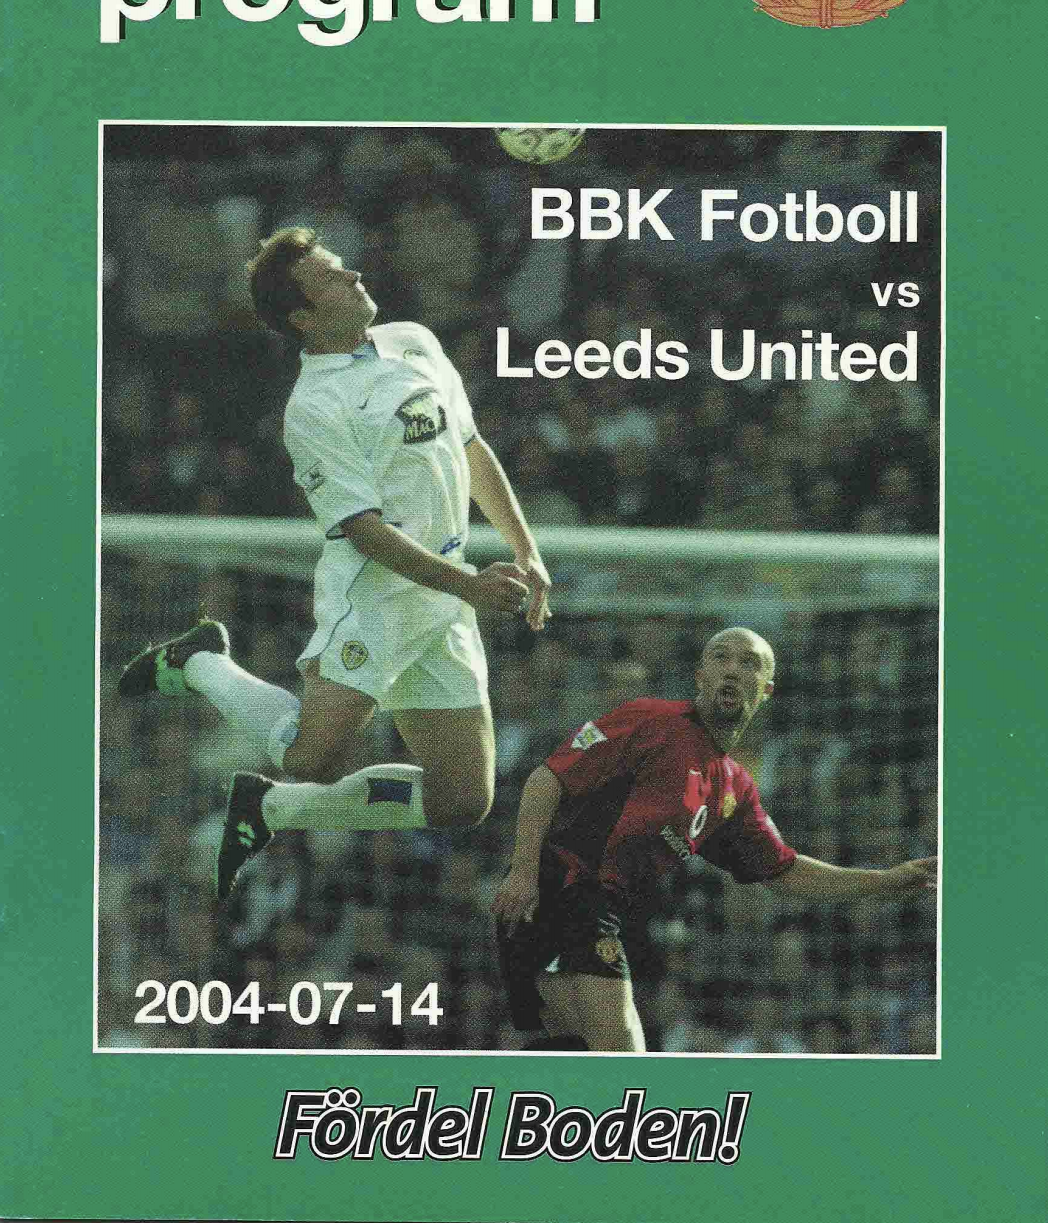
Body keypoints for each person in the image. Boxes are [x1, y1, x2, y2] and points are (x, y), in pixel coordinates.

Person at [119, 226, 552, 897]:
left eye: (344, 266)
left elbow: (470, 449)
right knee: (312, 758)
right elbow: (363, 530)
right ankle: (201, 662)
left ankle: (270, 809)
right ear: (301, 315)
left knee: (464, 799)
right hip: (377, 595)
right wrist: (468, 586)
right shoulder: (314, 405)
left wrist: (527, 550)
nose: (352, 277)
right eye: (330, 277)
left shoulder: (414, 341)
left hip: (446, 592)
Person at [492, 626, 936, 1053]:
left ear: (766, 689)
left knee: (572, 1048)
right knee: (619, 1046)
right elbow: (546, 779)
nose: (732, 669)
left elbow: (784, 872)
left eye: (748, 663)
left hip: (611, 912)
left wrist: (882, 882)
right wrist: (523, 873)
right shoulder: (651, 719)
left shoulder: (733, 788)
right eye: (721, 658)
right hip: (563, 887)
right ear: (700, 676)